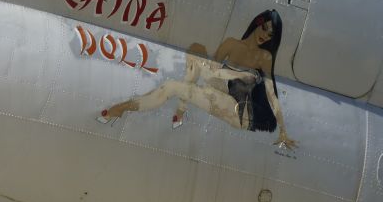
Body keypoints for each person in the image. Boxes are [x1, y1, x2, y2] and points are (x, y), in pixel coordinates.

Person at [98, 10, 297, 149]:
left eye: (271, 35)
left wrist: (283, 130)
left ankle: (167, 110)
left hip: (241, 111)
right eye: (265, 29)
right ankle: (177, 111)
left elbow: (272, 94)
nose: (266, 36)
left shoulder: (265, 58)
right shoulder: (231, 44)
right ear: (257, 24)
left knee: (172, 86)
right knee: (196, 55)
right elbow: (213, 72)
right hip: (221, 94)